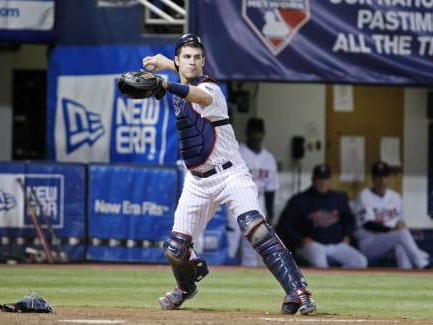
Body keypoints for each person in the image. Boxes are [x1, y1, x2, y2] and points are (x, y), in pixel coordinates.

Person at [142, 33, 317, 315]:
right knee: (175, 249)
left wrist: (165, 78)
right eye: (186, 57)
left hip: (230, 174)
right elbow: (183, 77)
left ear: (203, 61)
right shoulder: (180, 77)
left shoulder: (210, 88)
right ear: (178, 60)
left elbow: (196, 93)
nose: (193, 62)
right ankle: (186, 288)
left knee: (256, 230)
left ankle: (299, 291)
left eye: (198, 57)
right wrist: (165, 65)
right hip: (197, 181)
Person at [276, 164, 368, 268]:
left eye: (325, 179)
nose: (323, 183)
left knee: (360, 261)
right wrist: (300, 239)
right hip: (313, 245)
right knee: (320, 261)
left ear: (330, 180)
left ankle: (338, 281)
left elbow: (350, 221)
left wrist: (347, 235)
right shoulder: (299, 200)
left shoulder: (338, 198)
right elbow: (284, 226)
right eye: (319, 179)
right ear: (313, 180)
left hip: (336, 244)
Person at [353, 161, 430, 269]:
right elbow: (368, 224)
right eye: (378, 177)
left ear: (388, 178)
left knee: (400, 247)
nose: (381, 181)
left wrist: (398, 227)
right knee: (401, 234)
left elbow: (401, 223)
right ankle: (423, 265)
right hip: (369, 243)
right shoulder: (364, 195)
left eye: (384, 176)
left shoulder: (396, 197)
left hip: (390, 241)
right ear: (372, 178)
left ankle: (407, 279)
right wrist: (392, 229)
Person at [226, 117, 279, 267]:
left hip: (257, 203)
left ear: (264, 134)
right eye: (253, 132)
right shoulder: (237, 152)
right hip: (234, 202)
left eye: (259, 132)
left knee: (252, 248)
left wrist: (271, 214)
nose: (256, 136)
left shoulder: (269, 159)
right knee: (231, 243)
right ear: (247, 133)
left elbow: (270, 189)